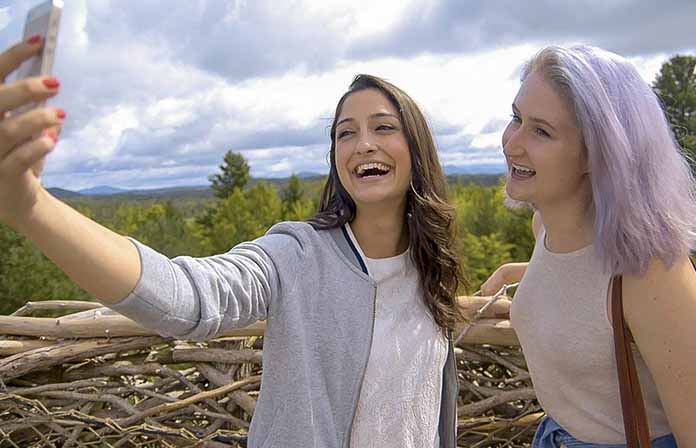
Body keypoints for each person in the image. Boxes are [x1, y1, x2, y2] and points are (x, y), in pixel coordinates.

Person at [0, 36, 464, 448]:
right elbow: (187, 297)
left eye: (383, 127)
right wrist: (32, 208)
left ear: (416, 147)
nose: (363, 143)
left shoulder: (432, 269)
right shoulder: (296, 256)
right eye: (346, 133)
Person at [480, 45, 696, 447]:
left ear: (598, 153)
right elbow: (579, 295)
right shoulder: (545, 226)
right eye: (516, 118)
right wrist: (514, 274)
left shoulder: (653, 270)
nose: (512, 143)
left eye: (541, 131)